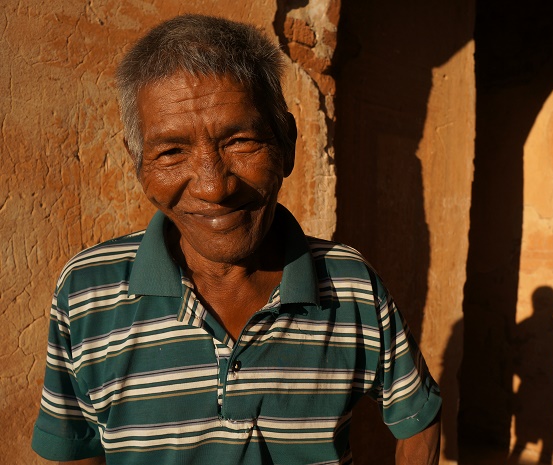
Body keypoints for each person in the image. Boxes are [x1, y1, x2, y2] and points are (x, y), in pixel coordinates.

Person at [31, 14, 441, 465]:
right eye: (171, 151)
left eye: (240, 141)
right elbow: (73, 447)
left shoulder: (350, 285)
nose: (213, 187)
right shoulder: (88, 290)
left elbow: (418, 418)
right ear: (138, 164)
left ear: (286, 142)